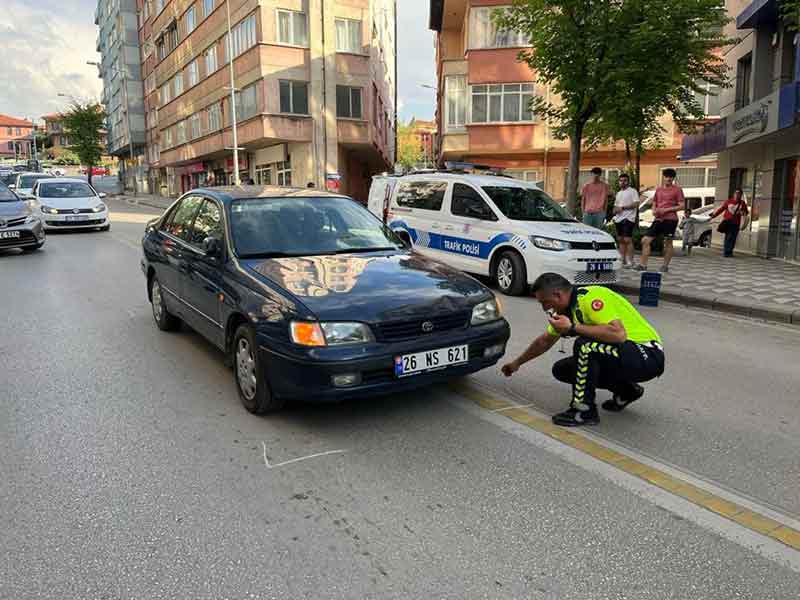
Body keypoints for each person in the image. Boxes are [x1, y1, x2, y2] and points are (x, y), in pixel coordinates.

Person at [501, 273, 665, 427]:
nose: (545, 308)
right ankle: (627, 391)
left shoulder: (590, 297)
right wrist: (517, 363)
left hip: (647, 355)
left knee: (584, 346)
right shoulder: (568, 311)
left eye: (545, 302)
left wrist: (573, 328)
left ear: (558, 295)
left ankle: (584, 411)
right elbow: (544, 341)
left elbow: (618, 334)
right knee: (563, 369)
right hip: (625, 357)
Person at [636, 168, 685, 273]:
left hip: (671, 220)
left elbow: (682, 206)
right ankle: (643, 265)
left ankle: (665, 266)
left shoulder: (677, 190)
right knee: (645, 240)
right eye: (666, 176)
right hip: (658, 219)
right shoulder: (659, 190)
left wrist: (666, 209)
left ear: (673, 178)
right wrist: (654, 210)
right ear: (663, 177)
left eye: (670, 177)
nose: (668, 179)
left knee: (668, 242)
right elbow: (655, 202)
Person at [709, 189, 748, 257]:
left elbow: (746, 212)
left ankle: (730, 251)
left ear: (741, 195)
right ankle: (726, 252)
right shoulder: (728, 201)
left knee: (733, 238)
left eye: (739, 194)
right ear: (734, 194)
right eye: (736, 193)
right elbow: (721, 209)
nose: (737, 195)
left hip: (736, 223)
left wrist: (743, 212)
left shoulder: (742, 203)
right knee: (728, 237)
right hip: (727, 221)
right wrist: (714, 216)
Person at [612, 173, 640, 268]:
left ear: (628, 181)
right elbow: (616, 206)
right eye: (621, 180)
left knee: (627, 239)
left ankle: (631, 261)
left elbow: (636, 204)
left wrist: (623, 208)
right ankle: (622, 260)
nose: (622, 182)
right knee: (620, 239)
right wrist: (615, 210)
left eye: (625, 180)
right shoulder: (619, 193)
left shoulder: (632, 191)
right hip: (618, 219)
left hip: (628, 218)